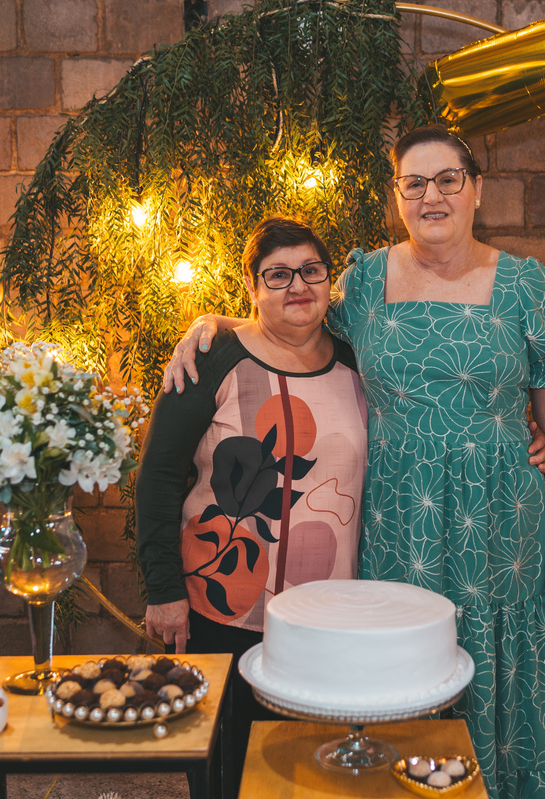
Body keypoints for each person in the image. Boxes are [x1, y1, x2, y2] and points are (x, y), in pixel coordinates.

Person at [165, 125, 545, 799]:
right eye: (414, 183)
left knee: (497, 660)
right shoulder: (364, 282)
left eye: (448, 179)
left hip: (499, 519)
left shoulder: (523, 283)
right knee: (397, 663)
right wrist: (210, 323)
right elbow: (291, 321)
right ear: (397, 196)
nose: (431, 196)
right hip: (398, 517)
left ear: (476, 189)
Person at [135, 217, 370, 799]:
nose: (298, 286)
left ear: (329, 279)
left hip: (327, 614)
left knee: (315, 770)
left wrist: (528, 436)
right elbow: (158, 477)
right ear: (252, 286)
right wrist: (163, 590)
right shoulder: (212, 360)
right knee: (227, 770)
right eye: (278, 275)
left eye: (311, 270)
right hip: (223, 608)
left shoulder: (357, 363)